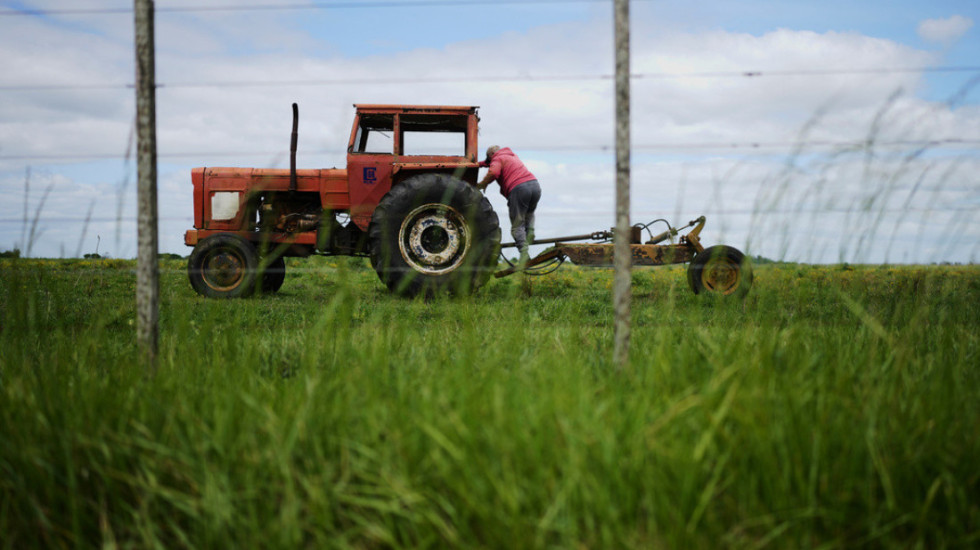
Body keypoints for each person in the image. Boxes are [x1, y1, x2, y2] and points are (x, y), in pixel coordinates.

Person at [476, 145, 542, 264]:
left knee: (517, 225)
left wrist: (482, 184)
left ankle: (524, 255)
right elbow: (489, 163)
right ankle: (530, 231)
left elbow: (494, 172)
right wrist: (479, 164)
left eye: (489, 159)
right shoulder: (511, 156)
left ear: (491, 155)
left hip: (519, 188)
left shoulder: (496, 159)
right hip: (534, 186)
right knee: (529, 213)